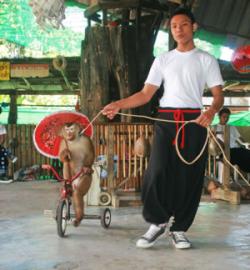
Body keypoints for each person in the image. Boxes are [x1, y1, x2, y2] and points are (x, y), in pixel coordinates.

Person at [102, 7, 224, 249]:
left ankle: (179, 229)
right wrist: (118, 104)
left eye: (184, 24)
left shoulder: (206, 59)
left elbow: (218, 96)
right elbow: (146, 94)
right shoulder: (163, 59)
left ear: (194, 27)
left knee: (188, 177)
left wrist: (210, 112)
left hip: (194, 122)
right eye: (175, 25)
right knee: (156, 171)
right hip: (167, 120)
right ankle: (157, 223)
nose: (179, 29)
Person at [58, 122, 95, 227]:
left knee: (77, 193)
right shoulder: (63, 142)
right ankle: (61, 211)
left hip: (84, 174)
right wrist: (64, 155)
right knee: (64, 192)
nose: (69, 133)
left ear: (78, 129)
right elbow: (61, 159)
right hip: (69, 175)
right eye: (67, 130)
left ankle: (79, 216)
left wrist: (87, 166)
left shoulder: (85, 141)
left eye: (71, 129)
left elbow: (91, 157)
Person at [214, 107, 250, 174]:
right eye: (224, 117)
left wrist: (246, 144)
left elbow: (240, 138)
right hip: (224, 151)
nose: (226, 119)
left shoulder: (231, 127)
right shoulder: (215, 127)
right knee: (241, 156)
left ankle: (246, 171)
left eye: (227, 117)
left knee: (247, 154)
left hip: (236, 149)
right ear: (219, 116)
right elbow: (213, 142)